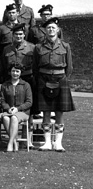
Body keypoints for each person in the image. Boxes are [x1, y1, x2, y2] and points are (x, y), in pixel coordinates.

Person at [33, 17, 75, 152]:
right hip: (43, 79)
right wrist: (41, 78)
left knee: (59, 112)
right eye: (48, 28)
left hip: (60, 79)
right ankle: (47, 142)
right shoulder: (38, 47)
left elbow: (69, 67)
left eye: (53, 28)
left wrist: (63, 79)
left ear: (58, 30)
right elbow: (35, 66)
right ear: (45, 31)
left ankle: (58, 143)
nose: (51, 30)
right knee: (45, 112)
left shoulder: (65, 46)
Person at [0, 62, 33, 152]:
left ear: (20, 73)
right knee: (5, 118)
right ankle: (14, 142)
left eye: (17, 71)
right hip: (9, 111)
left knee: (14, 118)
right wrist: (8, 108)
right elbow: (2, 100)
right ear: (10, 72)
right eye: (13, 71)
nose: (15, 73)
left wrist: (18, 109)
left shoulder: (26, 85)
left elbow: (29, 102)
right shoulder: (5, 85)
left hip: (23, 112)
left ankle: (10, 144)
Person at [1, 23, 35, 94]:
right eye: (16, 34)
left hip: (27, 78)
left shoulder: (32, 47)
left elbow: (36, 64)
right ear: (13, 35)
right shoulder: (7, 49)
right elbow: (4, 65)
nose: (18, 36)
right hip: (11, 78)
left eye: (20, 34)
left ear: (24, 35)